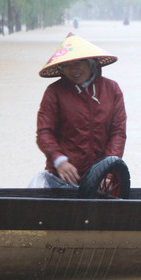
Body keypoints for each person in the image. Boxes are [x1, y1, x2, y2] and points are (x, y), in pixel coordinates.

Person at [31, 34, 127, 188]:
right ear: (61, 68)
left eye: (79, 62)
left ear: (92, 63)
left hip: (102, 180)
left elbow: (118, 133)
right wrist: (59, 160)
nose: (74, 69)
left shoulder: (112, 89)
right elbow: (44, 132)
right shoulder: (54, 92)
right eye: (67, 65)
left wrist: (108, 172)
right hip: (63, 177)